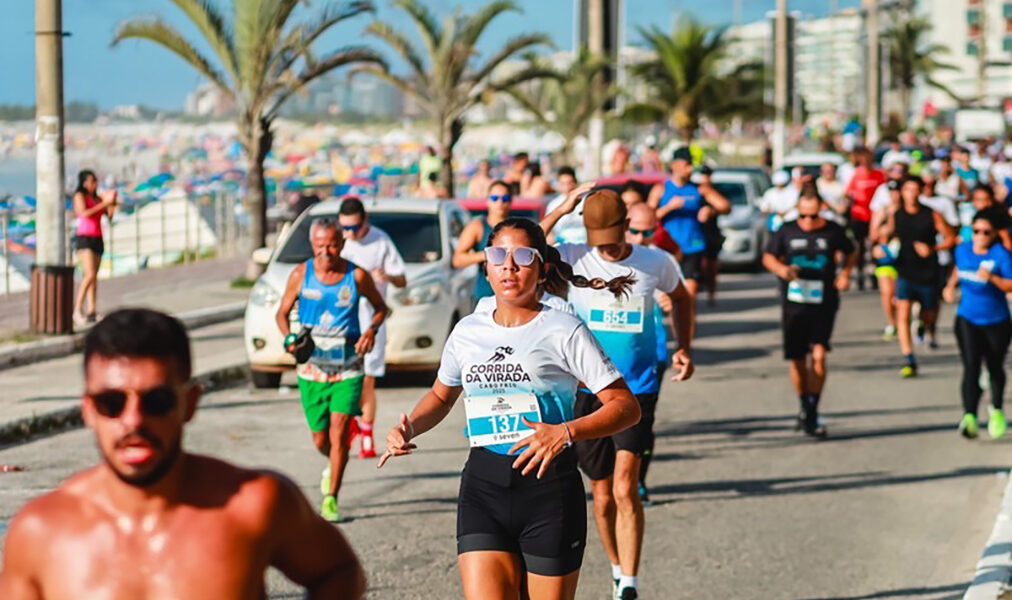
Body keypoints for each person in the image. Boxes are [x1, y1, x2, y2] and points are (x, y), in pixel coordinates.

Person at [0, 308, 365, 598]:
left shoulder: (253, 504)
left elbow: (337, 572)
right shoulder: (42, 531)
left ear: (189, 404)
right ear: (88, 410)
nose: (133, 421)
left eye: (156, 401)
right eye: (112, 402)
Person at [378, 216, 641, 600]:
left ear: (542, 267)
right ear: (486, 266)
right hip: (484, 487)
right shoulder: (468, 330)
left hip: (549, 491)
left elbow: (625, 407)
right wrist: (409, 428)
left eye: (522, 255)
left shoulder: (564, 329)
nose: (509, 266)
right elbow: (440, 396)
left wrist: (566, 431)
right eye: (498, 255)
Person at [543, 187, 695, 600]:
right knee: (603, 494)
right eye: (599, 241)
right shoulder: (574, 255)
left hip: (637, 389)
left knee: (626, 485)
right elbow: (528, 245)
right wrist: (562, 208)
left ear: (628, 227)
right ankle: (615, 566)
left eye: (612, 239)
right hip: (587, 389)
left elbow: (682, 297)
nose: (606, 249)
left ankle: (630, 580)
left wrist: (684, 346)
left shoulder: (655, 262)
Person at [276, 218, 389, 522]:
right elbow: (282, 314)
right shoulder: (301, 274)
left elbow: (381, 308)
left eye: (332, 244)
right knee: (320, 440)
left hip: (348, 366)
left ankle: (331, 499)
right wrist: (289, 339)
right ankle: (334, 462)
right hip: (311, 369)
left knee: (339, 432)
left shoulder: (357, 275)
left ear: (341, 243)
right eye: (320, 246)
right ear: (312, 245)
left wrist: (371, 331)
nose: (327, 251)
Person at [763, 188, 857, 437]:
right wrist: (782, 270)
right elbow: (769, 257)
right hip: (794, 302)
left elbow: (851, 251)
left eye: (813, 216)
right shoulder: (787, 229)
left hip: (824, 300)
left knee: (819, 355)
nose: (807, 221)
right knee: (797, 358)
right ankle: (804, 403)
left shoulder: (833, 230)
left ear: (821, 210)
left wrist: (845, 274)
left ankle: (813, 407)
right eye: (803, 215)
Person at [338, 198, 407, 459]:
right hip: (344, 321)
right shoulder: (340, 242)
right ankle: (350, 425)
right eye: (344, 228)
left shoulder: (381, 241)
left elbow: (402, 279)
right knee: (347, 378)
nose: (349, 234)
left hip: (372, 320)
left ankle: (366, 433)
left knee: (368, 377)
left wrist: (387, 276)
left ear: (364, 221)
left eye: (354, 228)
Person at [942, 212, 1012, 440]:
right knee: (971, 366)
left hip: (996, 321)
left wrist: (992, 278)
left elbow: (1010, 286)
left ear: (994, 234)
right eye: (976, 231)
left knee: (994, 367)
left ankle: (997, 411)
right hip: (967, 318)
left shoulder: (1001, 255)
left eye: (985, 232)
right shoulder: (963, 249)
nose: (980, 236)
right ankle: (969, 416)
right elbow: (958, 268)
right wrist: (950, 286)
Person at [880, 176, 957, 378]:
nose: (911, 194)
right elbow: (886, 237)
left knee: (930, 312)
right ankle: (909, 358)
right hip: (905, 269)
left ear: (921, 192)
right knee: (902, 313)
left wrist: (932, 248)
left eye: (915, 190)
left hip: (928, 270)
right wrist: (881, 247)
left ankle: (924, 324)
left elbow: (950, 238)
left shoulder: (932, 214)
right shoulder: (896, 214)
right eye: (907, 189)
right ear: (902, 192)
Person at [648, 146, 730, 317]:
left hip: (692, 247)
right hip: (667, 249)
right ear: (675, 165)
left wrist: (710, 211)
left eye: (691, 165)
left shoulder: (699, 189)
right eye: (687, 165)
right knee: (668, 297)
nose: (690, 169)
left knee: (689, 295)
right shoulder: (661, 189)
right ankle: (676, 332)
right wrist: (669, 207)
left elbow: (725, 206)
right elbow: (647, 218)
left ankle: (685, 339)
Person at [454, 180, 513, 307]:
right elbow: (458, 259)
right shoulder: (478, 226)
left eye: (505, 198)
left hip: (512, 295)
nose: (500, 203)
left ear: (511, 202)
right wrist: (487, 254)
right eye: (494, 198)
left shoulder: (516, 229)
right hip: (484, 295)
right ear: (487, 201)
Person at [72, 170, 117, 325]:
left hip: (98, 237)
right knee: (89, 275)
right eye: (92, 181)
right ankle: (77, 309)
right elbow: (84, 213)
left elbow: (108, 216)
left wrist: (112, 204)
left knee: (94, 277)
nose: (95, 184)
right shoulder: (79, 196)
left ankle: (91, 310)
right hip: (85, 238)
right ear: (84, 182)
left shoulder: (97, 198)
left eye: (96, 181)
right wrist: (104, 203)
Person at [845, 148, 887, 290]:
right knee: (859, 247)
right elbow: (848, 193)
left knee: (875, 245)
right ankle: (859, 274)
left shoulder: (879, 174)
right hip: (858, 215)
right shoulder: (857, 174)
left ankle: (875, 274)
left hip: (875, 216)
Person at [698, 165, 725, 306]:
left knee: (712, 265)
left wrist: (711, 211)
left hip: (711, 232)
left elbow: (725, 207)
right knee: (700, 264)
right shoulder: (695, 190)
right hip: (696, 232)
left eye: (707, 174)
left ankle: (711, 294)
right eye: (702, 174)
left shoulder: (714, 191)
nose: (705, 177)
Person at [544, 166, 585, 245]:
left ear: (576, 182)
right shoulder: (553, 205)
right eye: (563, 184)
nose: (567, 187)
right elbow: (549, 229)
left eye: (570, 183)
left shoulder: (585, 201)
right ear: (558, 184)